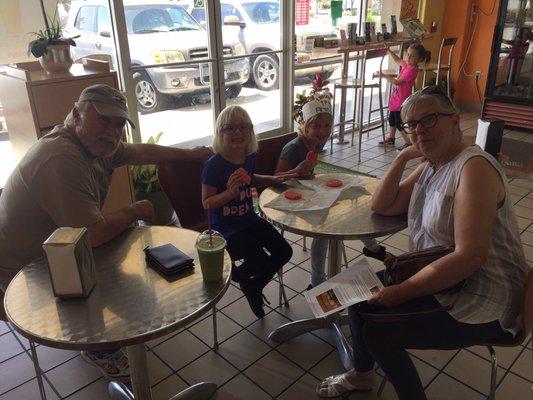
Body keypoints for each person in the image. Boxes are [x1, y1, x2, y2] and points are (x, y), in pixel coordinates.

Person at [317, 86, 529, 399]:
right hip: (445, 280)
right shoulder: (433, 164)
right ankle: (362, 375)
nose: (419, 130)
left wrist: (400, 293)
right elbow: (383, 205)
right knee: (353, 296)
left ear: (455, 121)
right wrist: (403, 155)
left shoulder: (473, 168)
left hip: (483, 295)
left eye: (428, 120)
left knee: (378, 332)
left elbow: (470, 257)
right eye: (411, 125)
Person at [0, 84, 212, 381]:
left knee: (134, 277)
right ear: (76, 114)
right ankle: (97, 345)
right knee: (126, 271)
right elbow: (93, 235)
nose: (113, 131)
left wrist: (190, 155)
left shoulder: (95, 144)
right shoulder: (61, 157)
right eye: (104, 120)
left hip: (57, 250)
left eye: (119, 123)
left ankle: (96, 336)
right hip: (23, 274)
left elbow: (139, 151)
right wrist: (132, 211)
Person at [276, 95, 385, 289]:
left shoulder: (316, 143)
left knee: (355, 206)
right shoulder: (293, 148)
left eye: (327, 126)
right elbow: (278, 178)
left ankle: (372, 247)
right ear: (306, 126)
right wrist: (300, 171)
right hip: (293, 198)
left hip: (310, 191)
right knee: (324, 232)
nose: (322, 132)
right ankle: (316, 282)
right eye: (316, 126)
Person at [201, 105, 294, 319]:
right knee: (260, 261)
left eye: (243, 127)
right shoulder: (213, 165)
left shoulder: (248, 156)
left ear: (250, 132)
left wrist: (271, 179)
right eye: (230, 128)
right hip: (225, 229)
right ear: (220, 133)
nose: (238, 132)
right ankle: (237, 276)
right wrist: (230, 192)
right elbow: (206, 203)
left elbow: (249, 177)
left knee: (284, 251)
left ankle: (251, 285)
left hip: (249, 219)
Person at [378, 43, 431, 151]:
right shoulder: (408, 65)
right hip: (397, 98)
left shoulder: (412, 70)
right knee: (392, 119)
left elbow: (397, 82)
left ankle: (409, 142)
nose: (409, 57)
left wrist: (384, 76)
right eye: (408, 54)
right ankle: (391, 138)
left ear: (420, 58)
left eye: (412, 56)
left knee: (399, 123)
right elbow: (398, 60)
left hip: (401, 100)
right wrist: (389, 51)